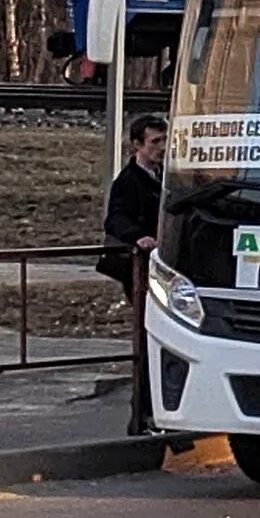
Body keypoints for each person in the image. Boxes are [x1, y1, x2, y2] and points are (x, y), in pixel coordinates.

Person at [100, 114, 167, 433]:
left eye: (165, 141)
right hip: (140, 268)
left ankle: (157, 409)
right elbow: (114, 220)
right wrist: (137, 237)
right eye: (155, 142)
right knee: (147, 337)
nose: (163, 148)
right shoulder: (127, 182)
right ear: (138, 145)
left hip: (166, 266)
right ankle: (142, 414)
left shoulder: (166, 176)